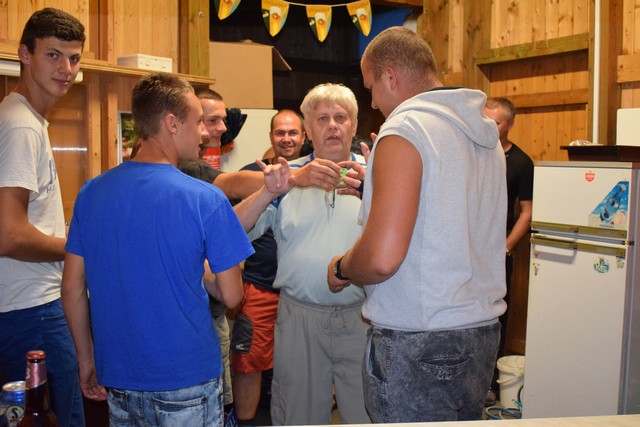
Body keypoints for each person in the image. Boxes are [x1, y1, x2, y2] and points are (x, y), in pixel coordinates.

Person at [327, 27, 507, 422]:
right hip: (480, 332)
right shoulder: (483, 133)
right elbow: (449, 209)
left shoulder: (405, 129)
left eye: (372, 88)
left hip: (419, 337)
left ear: (391, 76)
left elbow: (382, 258)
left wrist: (341, 268)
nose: (373, 102)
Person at [61, 72, 254, 427]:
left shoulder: (90, 193)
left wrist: (86, 360)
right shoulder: (207, 199)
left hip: (118, 375)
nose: (205, 132)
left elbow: (72, 288)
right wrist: (206, 271)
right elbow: (231, 296)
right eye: (198, 121)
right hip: (187, 376)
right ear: (172, 124)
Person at [234, 83, 370, 426]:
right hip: (300, 318)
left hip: (365, 317)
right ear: (308, 129)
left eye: (341, 117)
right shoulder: (285, 176)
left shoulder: (374, 174)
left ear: (354, 125)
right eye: (322, 118)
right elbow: (231, 233)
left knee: (368, 414)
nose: (333, 125)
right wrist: (274, 189)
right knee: (297, 415)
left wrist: (376, 188)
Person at [0, 8, 86, 426]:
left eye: (74, 58)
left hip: (27, 305)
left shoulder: (26, 119)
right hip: (30, 308)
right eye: (53, 55)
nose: (66, 69)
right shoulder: (21, 125)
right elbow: (9, 235)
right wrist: (79, 246)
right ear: (25, 54)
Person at [231, 109, 305, 425]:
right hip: (259, 286)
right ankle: (244, 422)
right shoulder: (252, 173)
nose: (286, 138)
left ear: (304, 136)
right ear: (271, 136)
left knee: (302, 366)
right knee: (248, 363)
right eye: (280, 132)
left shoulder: (315, 173)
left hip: (301, 293)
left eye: (293, 132)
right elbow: (224, 191)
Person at [484, 96, 534, 401]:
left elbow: (527, 211)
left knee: (497, 317)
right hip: (468, 249)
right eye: (485, 120)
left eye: (496, 122)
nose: (489, 127)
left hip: (498, 253)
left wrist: (506, 247)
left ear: (510, 124)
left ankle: (492, 384)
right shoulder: (473, 152)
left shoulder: (521, 162)